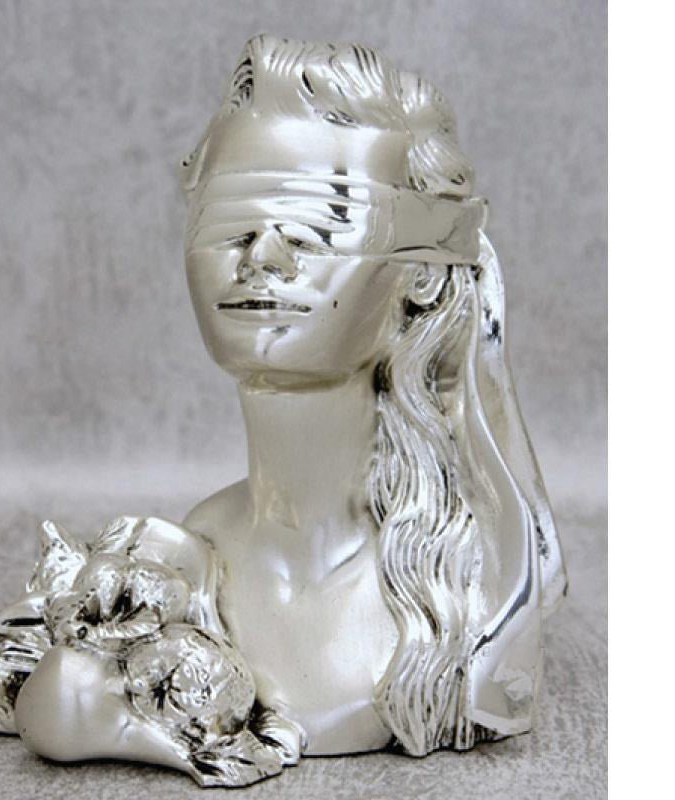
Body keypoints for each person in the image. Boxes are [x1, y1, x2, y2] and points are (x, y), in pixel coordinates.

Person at [180, 33, 565, 756]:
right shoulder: (181, 564)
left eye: (320, 227)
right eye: (230, 222)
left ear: (419, 275)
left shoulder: (468, 588)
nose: (261, 256)